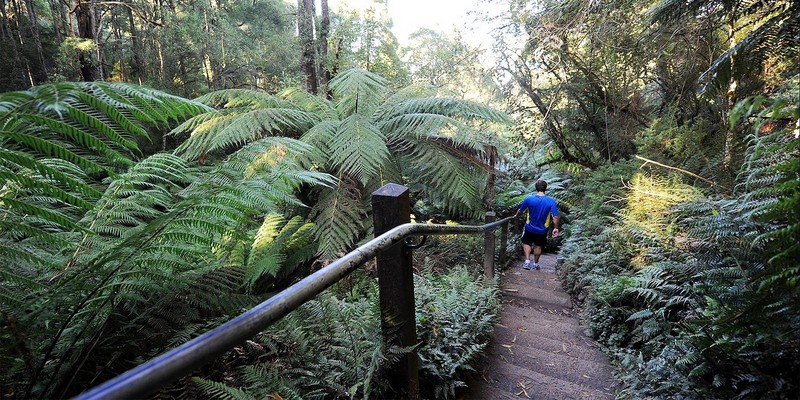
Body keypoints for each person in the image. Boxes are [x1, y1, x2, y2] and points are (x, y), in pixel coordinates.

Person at [514, 179, 560, 270]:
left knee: (526, 242)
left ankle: (527, 261)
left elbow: (520, 211)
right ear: (545, 188)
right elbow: (555, 217)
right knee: (538, 246)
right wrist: (556, 228)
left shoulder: (529, 198)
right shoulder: (550, 201)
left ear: (536, 188)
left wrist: (516, 216)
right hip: (542, 230)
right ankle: (535, 264)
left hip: (529, 227)